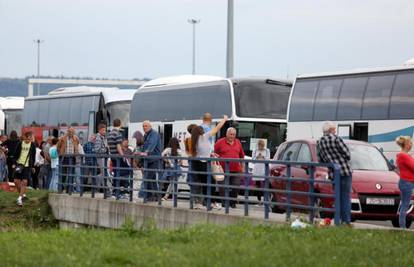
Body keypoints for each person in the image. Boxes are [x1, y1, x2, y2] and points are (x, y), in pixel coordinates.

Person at [317, 121, 352, 225]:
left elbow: (320, 160)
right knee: (345, 197)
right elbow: (347, 154)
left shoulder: (319, 142)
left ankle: (338, 219)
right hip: (345, 171)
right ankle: (345, 221)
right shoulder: (336, 139)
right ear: (331, 130)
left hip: (333, 173)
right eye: (334, 129)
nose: (335, 131)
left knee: (338, 197)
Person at [190, 115, 227, 209]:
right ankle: (210, 202)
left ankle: (200, 203)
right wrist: (224, 119)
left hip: (196, 163)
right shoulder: (204, 137)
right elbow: (217, 128)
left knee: (201, 184)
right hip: (203, 163)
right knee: (210, 183)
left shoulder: (194, 140)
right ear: (201, 132)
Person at [214, 127, 245, 208]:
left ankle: (232, 202)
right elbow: (214, 153)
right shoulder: (219, 142)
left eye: (234, 134)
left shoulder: (238, 142)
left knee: (236, 185)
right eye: (231, 134)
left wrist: (242, 167)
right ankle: (224, 202)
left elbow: (242, 156)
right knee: (222, 187)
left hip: (236, 169)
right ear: (226, 134)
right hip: (222, 169)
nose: (232, 136)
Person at [395, 136, 414, 228]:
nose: (412, 145)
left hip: (406, 182)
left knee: (404, 204)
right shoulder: (404, 156)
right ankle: (402, 228)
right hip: (407, 183)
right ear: (406, 144)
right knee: (405, 205)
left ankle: (402, 227)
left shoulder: (404, 155)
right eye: (410, 143)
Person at [141, 120, 162, 201]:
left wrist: (146, 152)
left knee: (147, 178)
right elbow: (144, 147)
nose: (144, 127)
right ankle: (157, 196)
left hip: (154, 159)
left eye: (146, 126)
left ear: (150, 126)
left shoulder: (154, 134)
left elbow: (151, 145)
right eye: (143, 126)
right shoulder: (146, 135)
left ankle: (149, 196)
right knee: (152, 179)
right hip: (149, 160)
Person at [13, 131, 36, 206]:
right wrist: (14, 163)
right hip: (19, 164)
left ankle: (19, 198)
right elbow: (15, 154)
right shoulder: (20, 143)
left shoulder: (32, 145)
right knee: (16, 181)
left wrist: (32, 166)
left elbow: (33, 156)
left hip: (27, 165)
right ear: (24, 137)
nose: (28, 140)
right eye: (27, 138)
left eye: (30, 138)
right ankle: (22, 194)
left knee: (25, 181)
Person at [57, 127, 80, 192]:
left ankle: (69, 190)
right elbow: (58, 147)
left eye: (72, 132)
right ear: (67, 131)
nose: (71, 133)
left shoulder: (76, 139)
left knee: (71, 174)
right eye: (69, 131)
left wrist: (76, 154)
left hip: (72, 158)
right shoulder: (62, 138)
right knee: (63, 174)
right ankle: (60, 189)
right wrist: (60, 155)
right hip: (64, 158)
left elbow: (77, 146)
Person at [107, 118, 124, 199]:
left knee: (115, 174)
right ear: (120, 124)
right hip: (117, 157)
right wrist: (123, 155)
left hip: (112, 156)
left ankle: (114, 192)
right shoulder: (118, 134)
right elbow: (118, 146)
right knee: (118, 174)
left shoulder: (109, 134)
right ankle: (117, 192)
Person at [252, 139, 270, 205]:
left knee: (265, 185)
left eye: (262, 146)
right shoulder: (255, 150)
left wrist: (263, 157)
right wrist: (257, 157)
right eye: (259, 146)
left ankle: (265, 200)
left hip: (264, 168)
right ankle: (259, 200)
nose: (260, 148)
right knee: (258, 185)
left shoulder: (267, 150)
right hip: (257, 168)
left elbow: (268, 159)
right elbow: (253, 160)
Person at [94, 124, 109, 194]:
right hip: (100, 157)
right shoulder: (98, 138)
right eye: (103, 130)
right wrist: (105, 149)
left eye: (105, 130)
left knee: (103, 173)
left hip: (104, 157)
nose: (104, 131)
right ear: (99, 130)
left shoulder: (103, 137)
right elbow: (97, 150)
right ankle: (106, 189)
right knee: (104, 173)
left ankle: (98, 188)